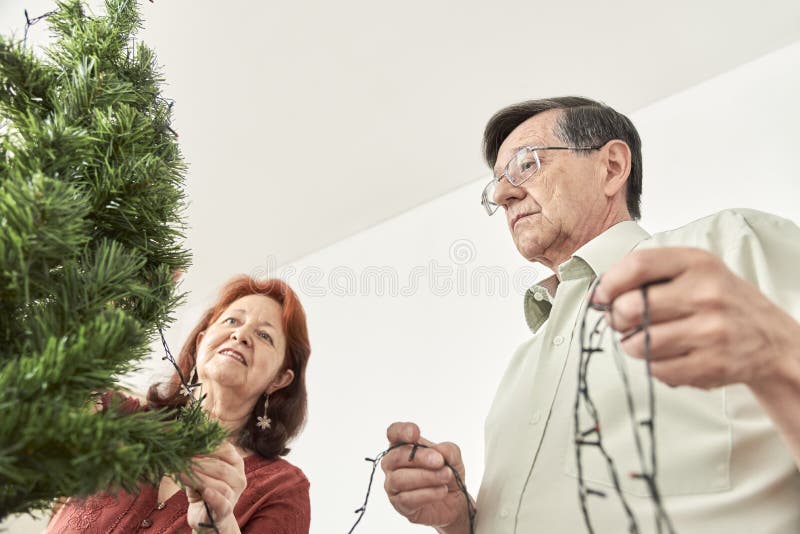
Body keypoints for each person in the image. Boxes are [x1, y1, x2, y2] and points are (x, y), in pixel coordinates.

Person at [381, 97, 800, 534]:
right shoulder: (520, 368)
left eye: (526, 165)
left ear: (613, 167)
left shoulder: (729, 246)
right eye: (497, 185)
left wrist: (781, 356)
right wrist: (459, 521)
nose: (504, 194)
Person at [48, 275, 312, 533]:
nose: (241, 334)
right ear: (201, 343)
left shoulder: (283, 488)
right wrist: (122, 307)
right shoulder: (120, 419)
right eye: (232, 320)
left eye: (265, 335)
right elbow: (51, 386)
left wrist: (218, 526)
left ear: (279, 378)